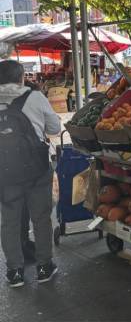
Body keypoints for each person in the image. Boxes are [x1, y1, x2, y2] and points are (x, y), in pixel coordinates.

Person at [0, 60, 61, 288]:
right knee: (41, 218)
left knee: (9, 222)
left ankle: (14, 272)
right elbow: (54, 128)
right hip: (36, 171)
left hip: (4, 174)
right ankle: (44, 267)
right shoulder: (34, 97)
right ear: (21, 78)